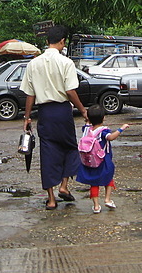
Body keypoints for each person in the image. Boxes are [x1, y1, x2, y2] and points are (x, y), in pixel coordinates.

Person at [21, 26, 89, 210]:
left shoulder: (33, 64)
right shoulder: (66, 63)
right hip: (62, 111)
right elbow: (70, 91)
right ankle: (64, 186)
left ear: (46, 41)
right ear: (62, 42)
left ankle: (51, 199)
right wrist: (83, 110)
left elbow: (30, 95)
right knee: (70, 148)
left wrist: (27, 117)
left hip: (45, 113)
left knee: (48, 153)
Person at [76, 105, 129, 214]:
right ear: (103, 118)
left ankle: (96, 206)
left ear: (89, 119)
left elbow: (86, 125)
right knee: (108, 177)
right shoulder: (103, 131)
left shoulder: (86, 129)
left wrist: (87, 120)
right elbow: (110, 137)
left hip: (89, 161)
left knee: (94, 182)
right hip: (103, 159)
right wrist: (121, 128)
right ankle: (107, 199)